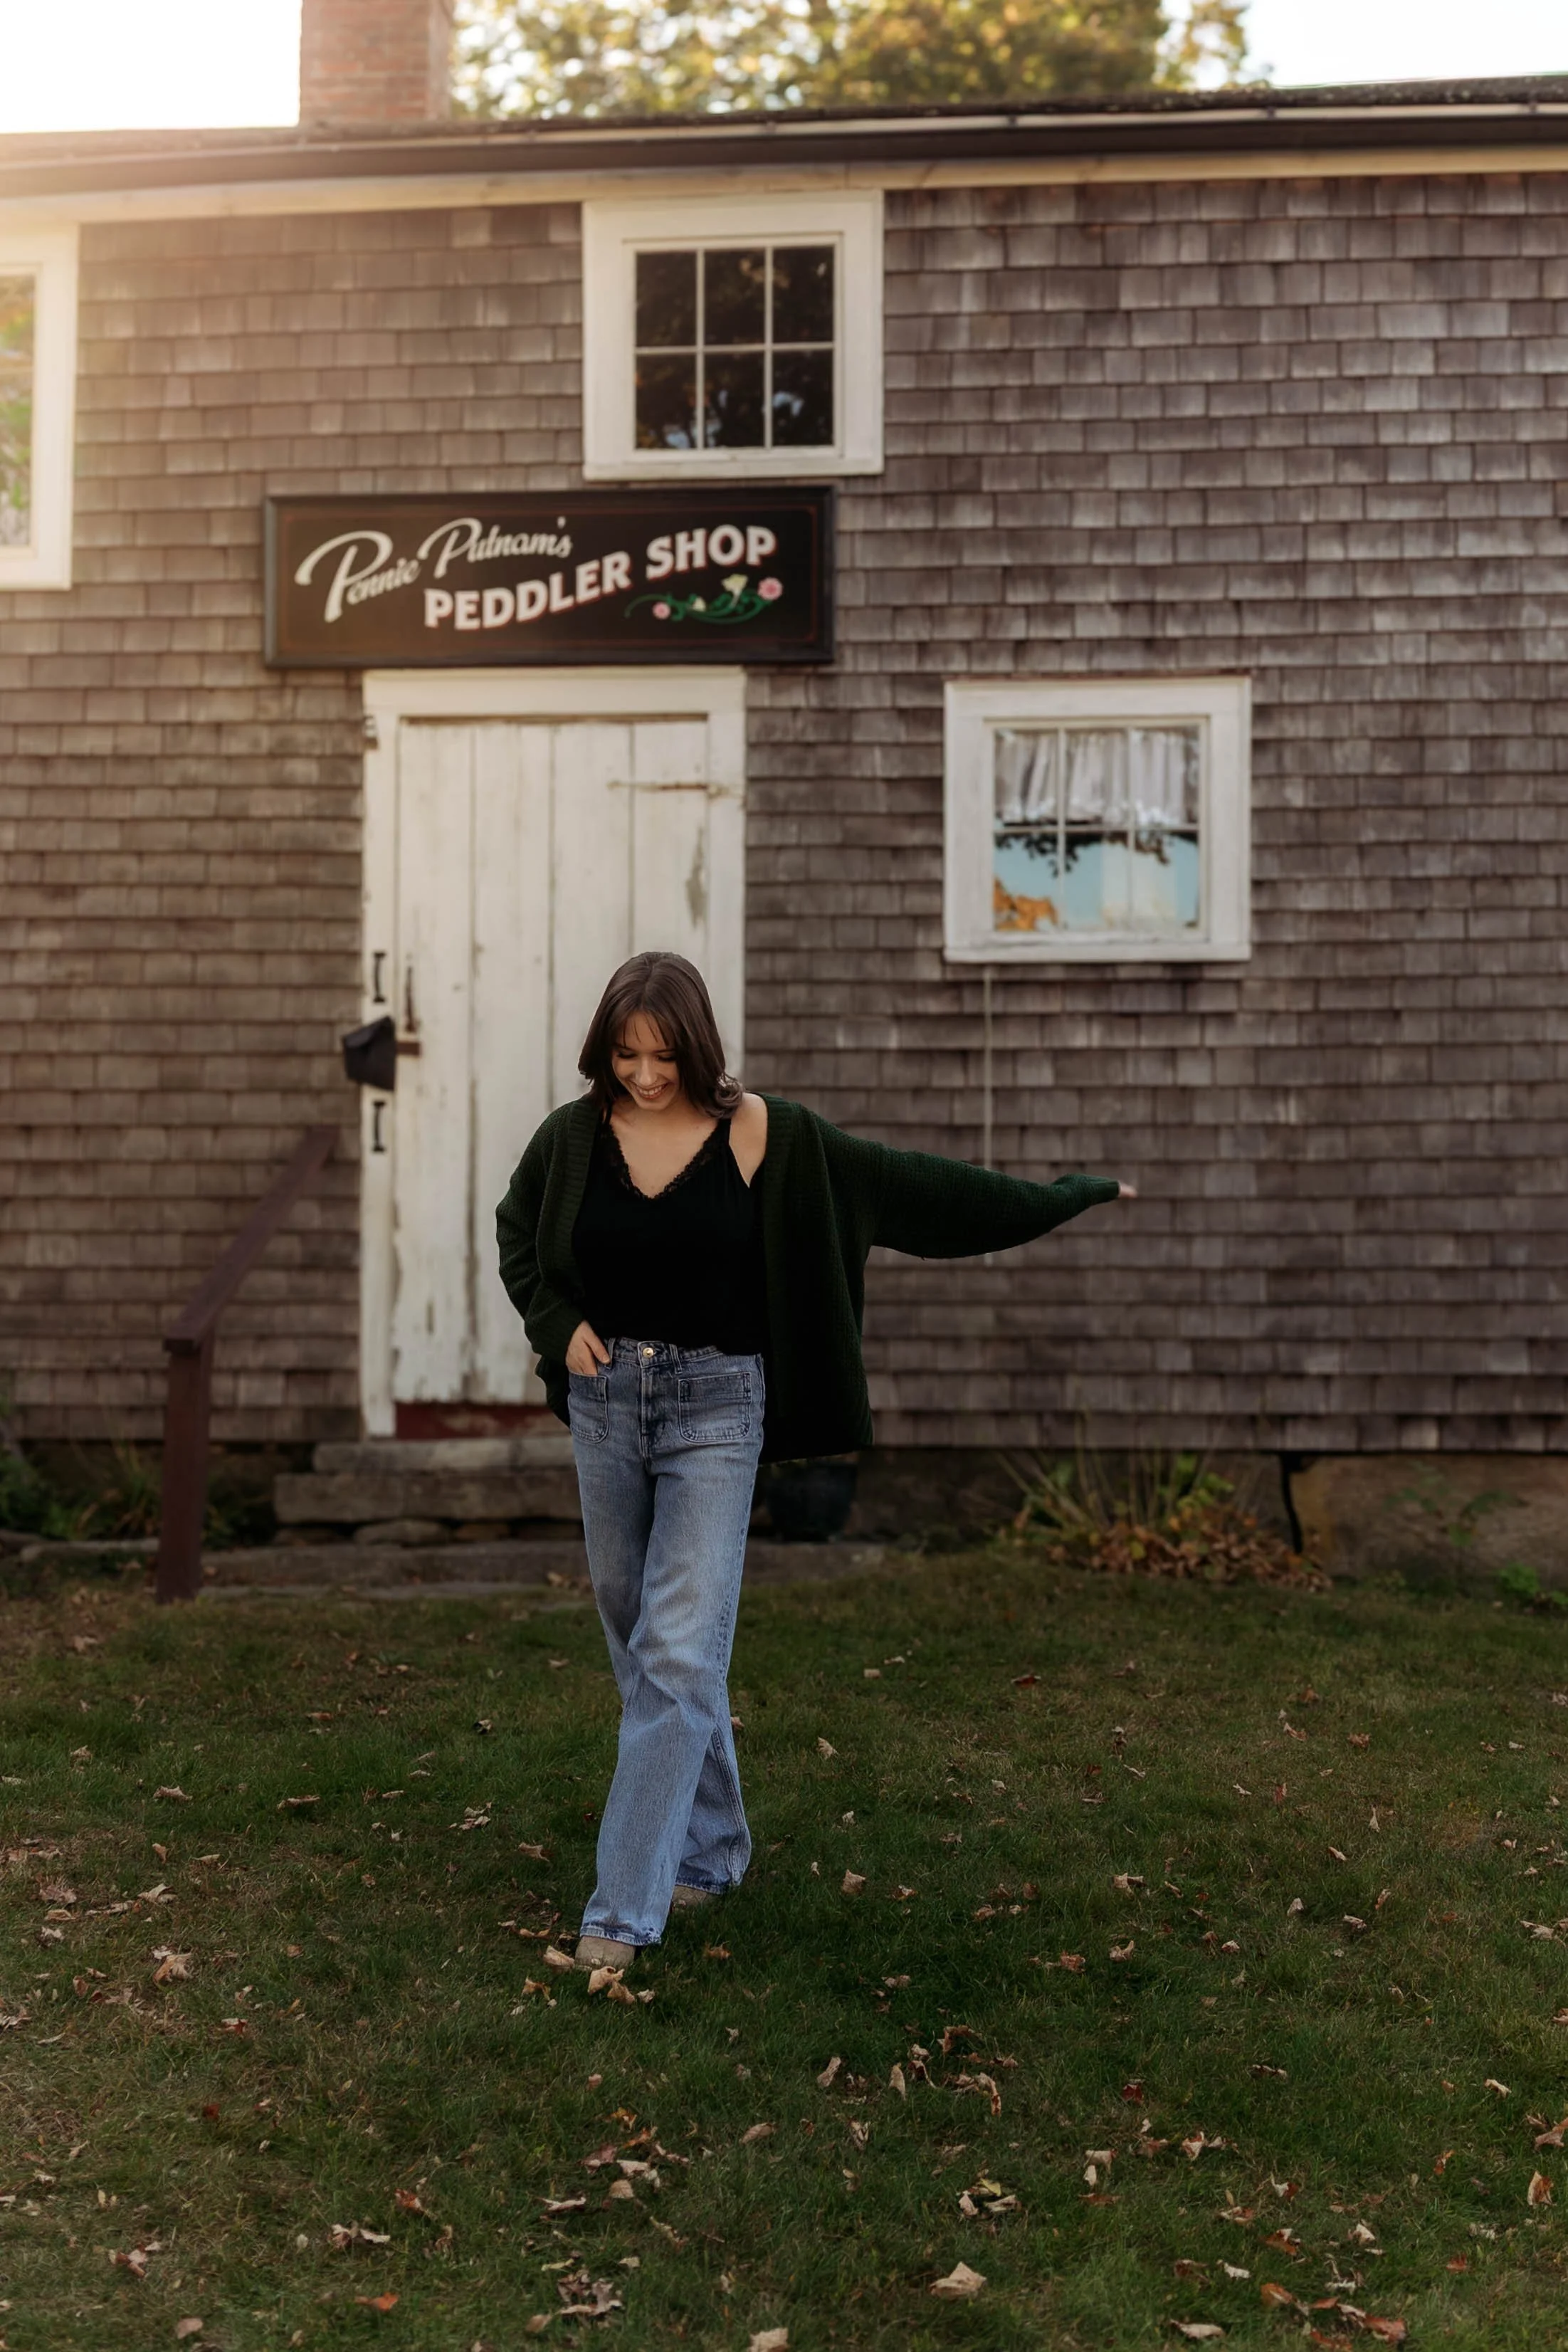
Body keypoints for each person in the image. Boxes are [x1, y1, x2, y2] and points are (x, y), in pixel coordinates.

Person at [495, 950, 1135, 1972]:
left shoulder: (762, 1134)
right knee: (644, 1639)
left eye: (664, 1055)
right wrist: (555, 1318)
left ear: (698, 1046)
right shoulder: (571, 1140)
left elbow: (920, 1193)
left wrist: (1066, 1195)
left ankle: (618, 1918)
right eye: (626, 1054)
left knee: (674, 1650)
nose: (646, 1076)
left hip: (716, 1407)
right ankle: (711, 1854)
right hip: (608, 1404)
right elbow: (518, 1234)